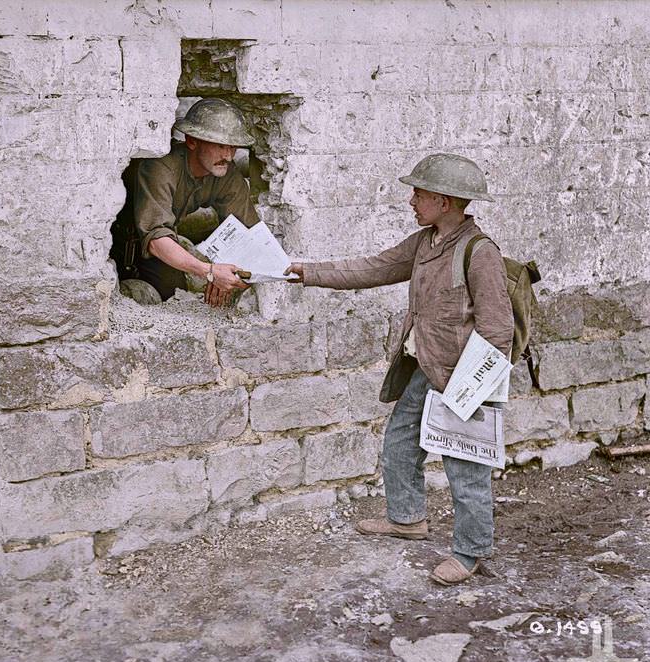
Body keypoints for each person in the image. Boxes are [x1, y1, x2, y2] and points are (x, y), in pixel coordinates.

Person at [285, 153, 514, 585]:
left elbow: (498, 329)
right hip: (425, 368)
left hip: (462, 378)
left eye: (420, 193)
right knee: (399, 442)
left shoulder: (479, 252)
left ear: (445, 201)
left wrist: (471, 389)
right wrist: (308, 273)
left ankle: (470, 552)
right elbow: (374, 267)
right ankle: (407, 518)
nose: (412, 200)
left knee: (465, 467)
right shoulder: (425, 242)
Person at [110, 98, 257, 307]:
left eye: (233, 146)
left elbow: (249, 231)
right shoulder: (161, 167)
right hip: (116, 237)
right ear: (192, 141)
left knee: (172, 289)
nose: (228, 155)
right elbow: (155, 238)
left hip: (163, 240)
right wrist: (210, 272)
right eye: (220, 145)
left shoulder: (227, 173)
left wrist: (230, 269)